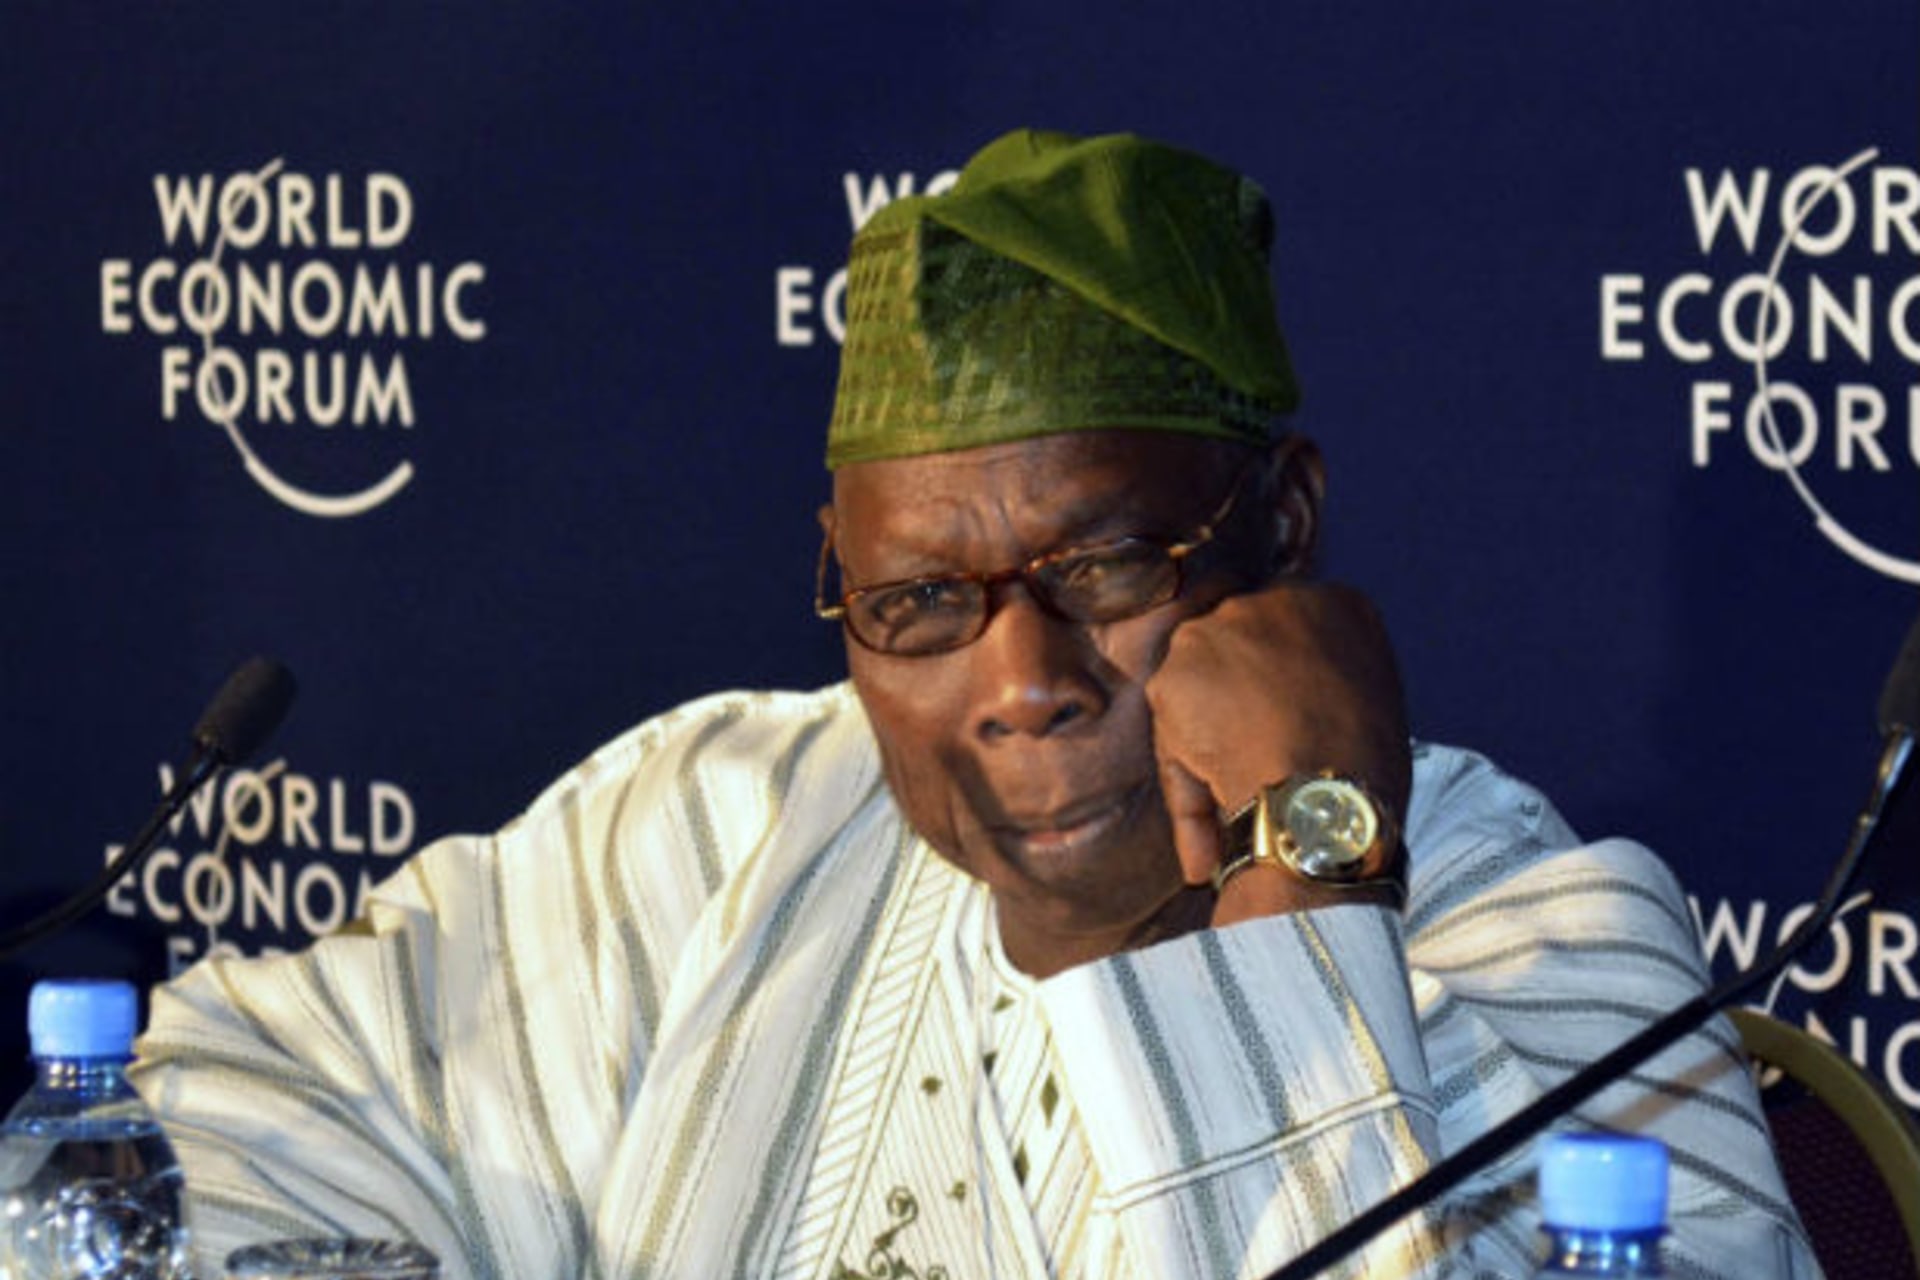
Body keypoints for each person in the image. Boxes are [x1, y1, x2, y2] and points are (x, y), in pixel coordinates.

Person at [132, 130, 1817, 1279]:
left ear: (1284, 532)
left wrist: (1307, 876)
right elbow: (232, 1096)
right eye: (921, 604)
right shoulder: (727, 821)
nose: (1022, 686)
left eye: (1111, 567)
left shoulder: (1558, 953)